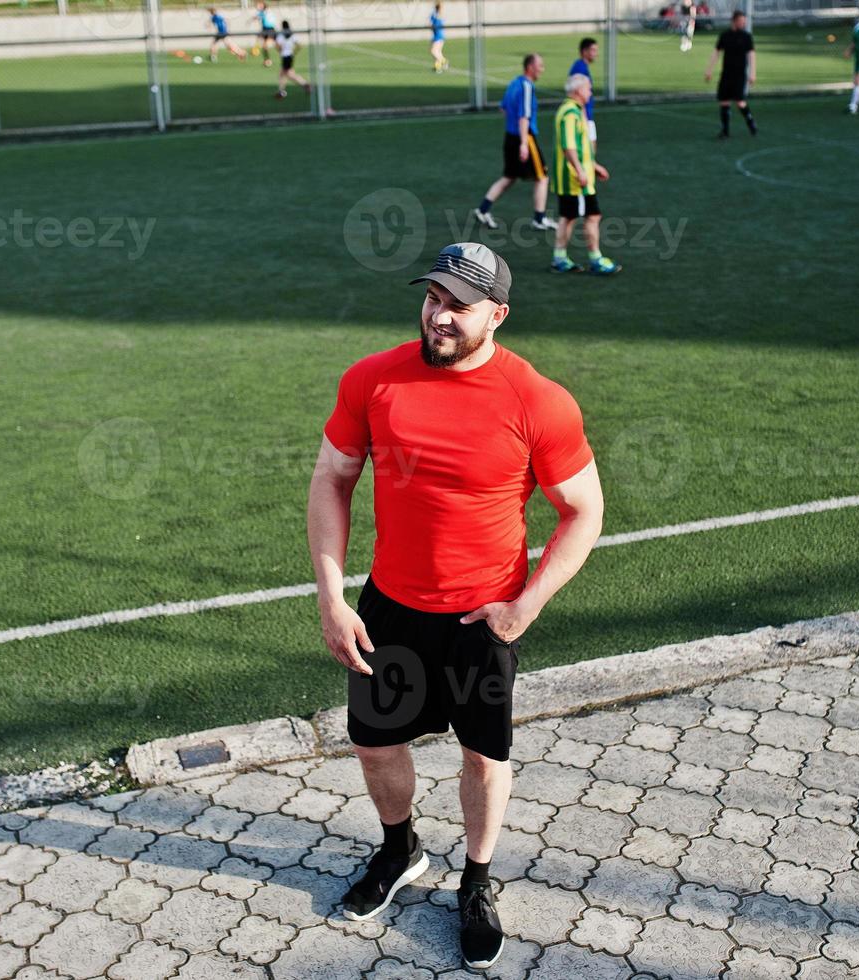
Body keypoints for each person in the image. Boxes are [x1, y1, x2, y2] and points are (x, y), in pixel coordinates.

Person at [309, 240, 604, 971]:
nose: (438, 316)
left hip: (482, 618)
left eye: (457, 306)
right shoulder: (372, 380)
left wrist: (526, 605)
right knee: (375, 744)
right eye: (432, 298)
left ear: (496, 314)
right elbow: (330, 481)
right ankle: (399, 849)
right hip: (390, 610)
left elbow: (583, 511)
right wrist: (332, 597)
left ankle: (475, 880)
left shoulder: (537, 400)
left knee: (482, 754)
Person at [473, 55, 560, 233]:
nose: (542, 69)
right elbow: (524, 117)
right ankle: (539, 218)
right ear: (530, 67)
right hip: (524, 137)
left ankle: (483, 209)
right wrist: (523, 143)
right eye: (540, 66)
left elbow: (503, 108)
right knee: (542, 177)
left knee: (509, 176)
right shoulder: (527, 87)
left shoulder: (513, 83)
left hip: (510, 136)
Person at [552, 74, 619, 274]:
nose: (590, 92)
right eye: (588, 88)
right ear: (578, 90)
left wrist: (594, 165)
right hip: (575, 179)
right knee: (591, 215)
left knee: (570, 216)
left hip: (574, 176)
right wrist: (581, 170)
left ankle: (560, 258)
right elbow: (569, 146)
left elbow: (579, 147)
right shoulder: (571, 113)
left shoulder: (570, 110)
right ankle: (595, 258)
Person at [704, 9, 757, 138]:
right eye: (740, 21)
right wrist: (709, 70)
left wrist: (752, 73)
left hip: (739, 75)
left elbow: (751, 55)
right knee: (724, 101)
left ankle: (751, 122)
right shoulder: (725, 35)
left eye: (744, 21)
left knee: (740, 102)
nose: (743, 24)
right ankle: (725, 131)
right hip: (726, 74)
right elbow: (716, 53)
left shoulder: (746, 37)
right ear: (734, 21)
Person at [568, 37, 599, 151]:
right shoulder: (580, 68)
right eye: (593, 50)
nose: (596, 54)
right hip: (585, 116)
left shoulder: (581, 66)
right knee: (590, 150)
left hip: (586, 115)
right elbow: (576, 93)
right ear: (584, 51)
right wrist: (584, 117)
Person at [275, 21, 311, 98]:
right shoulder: (292, 35)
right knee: (284, 74)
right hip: (290, 56)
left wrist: (280, 50)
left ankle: (305, 84)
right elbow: (299, 45)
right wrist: (294, 52)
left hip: (285, 57)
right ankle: (281, 90)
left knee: (288, 75)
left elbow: (278, 46)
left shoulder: (281, 35)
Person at [252, 1, 277, 67]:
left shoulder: (266, 11)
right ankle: (267, 60)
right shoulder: (262, 12)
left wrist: (254, 18)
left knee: (266, 46)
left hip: (270, 30)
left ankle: (267, 59)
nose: (258, 6)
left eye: (260, 5)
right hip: (264, 30)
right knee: (263, 45)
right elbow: (258, 16)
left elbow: (258, 16)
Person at [430, 3, 449, 73]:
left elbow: (435, 24)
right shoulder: (435, 15)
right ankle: (437, 67)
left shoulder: (438, 16)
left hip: (438, 36)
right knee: (438, 52)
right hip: (436, 35)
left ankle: (444, 61)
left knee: (433, 51)